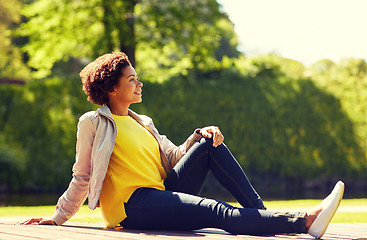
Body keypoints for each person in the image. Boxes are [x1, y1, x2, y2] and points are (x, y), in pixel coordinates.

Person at [21, 52, 344, 238]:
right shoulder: (93, 122)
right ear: (111, 88)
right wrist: (59, 216)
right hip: (132, 207)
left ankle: (260, 215)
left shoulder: (141, 121)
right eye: (132, 79)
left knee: (209, 144)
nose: (139, 82)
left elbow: (174, 156)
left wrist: (196, 136)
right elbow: (84, 175)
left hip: (160, 190)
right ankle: (303, 220)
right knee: (217, 211)